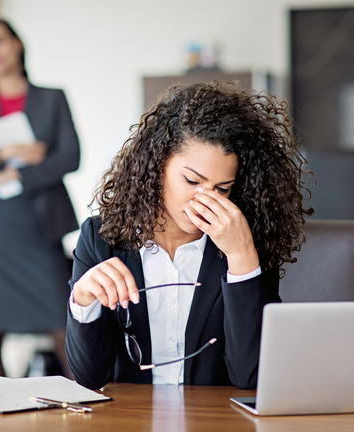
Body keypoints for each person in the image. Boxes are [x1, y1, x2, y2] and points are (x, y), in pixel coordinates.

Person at [65, 81, 313, 390]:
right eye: (192, 180)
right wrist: (84, 299)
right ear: (157, 166)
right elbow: (89, 378)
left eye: (222, 189)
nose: (205, 200)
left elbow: (251, 376)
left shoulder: (247, 242)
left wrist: (241, 259)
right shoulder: (100, 237)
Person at [0, 17, 79, 378]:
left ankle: (87, 409)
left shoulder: (52, 98)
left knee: (61, 321)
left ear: (17, 44)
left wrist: (19, 174)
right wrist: (5, 154)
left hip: (38, 224)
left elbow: (70, 156)